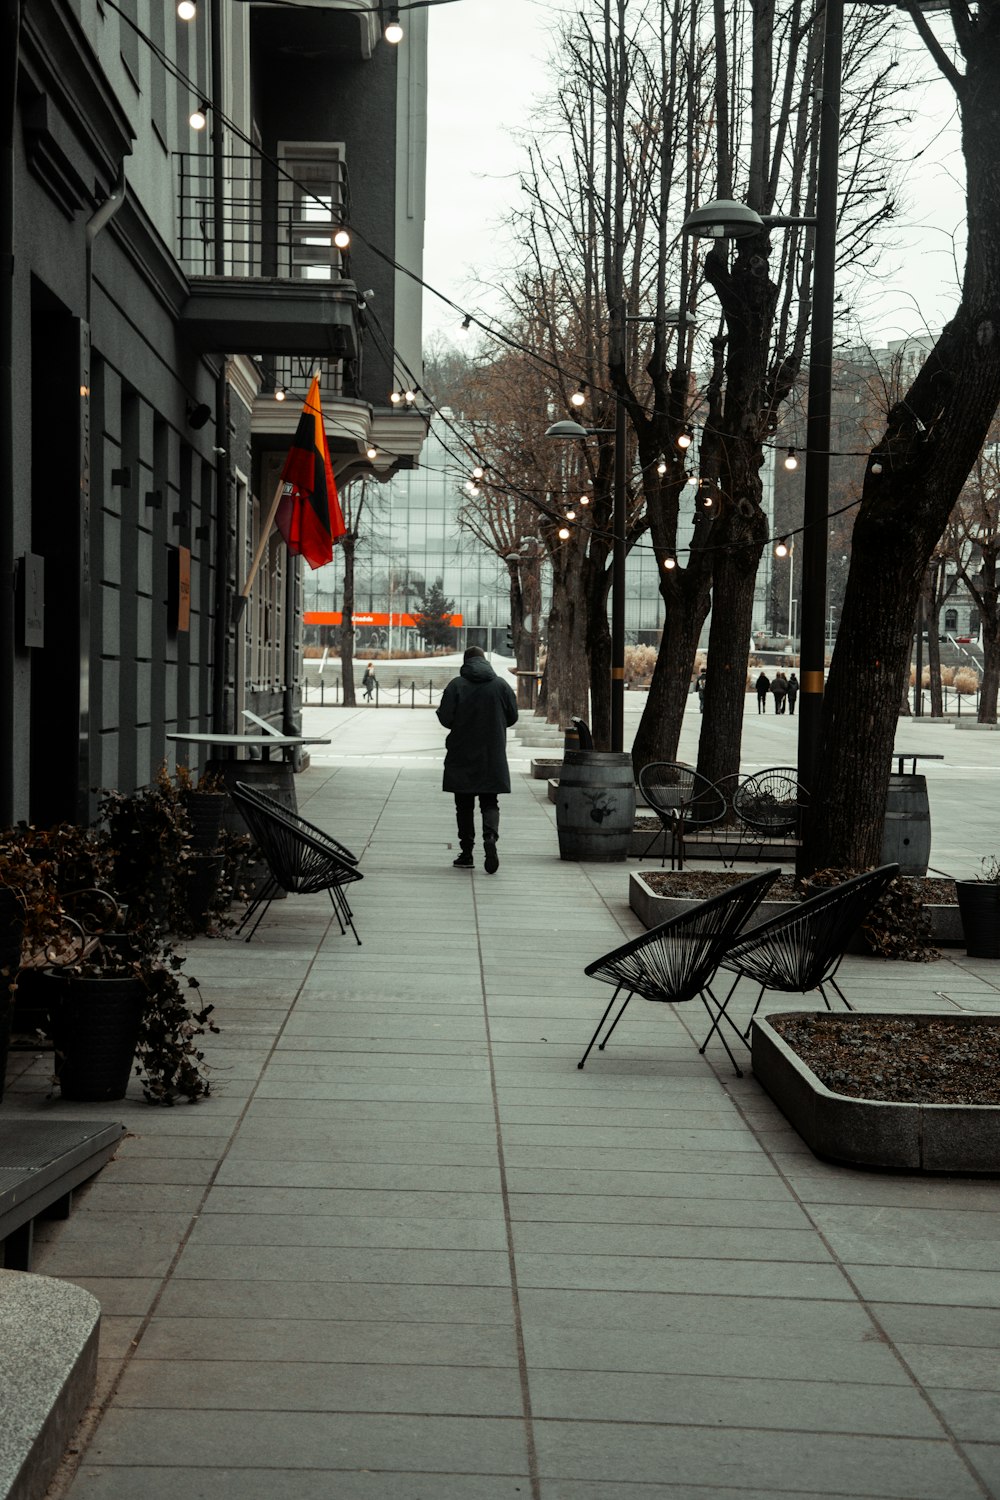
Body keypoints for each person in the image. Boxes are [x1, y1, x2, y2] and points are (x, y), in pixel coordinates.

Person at [436, 646, 518, 873]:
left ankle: (467, 853)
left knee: (463, 806)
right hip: (492, 753)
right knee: (490, 801)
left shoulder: (456, 685)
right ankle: (490, 837)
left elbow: (445, 718)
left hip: (462, 753)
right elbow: (513, 716)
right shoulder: (500, 685)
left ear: (466, 662)